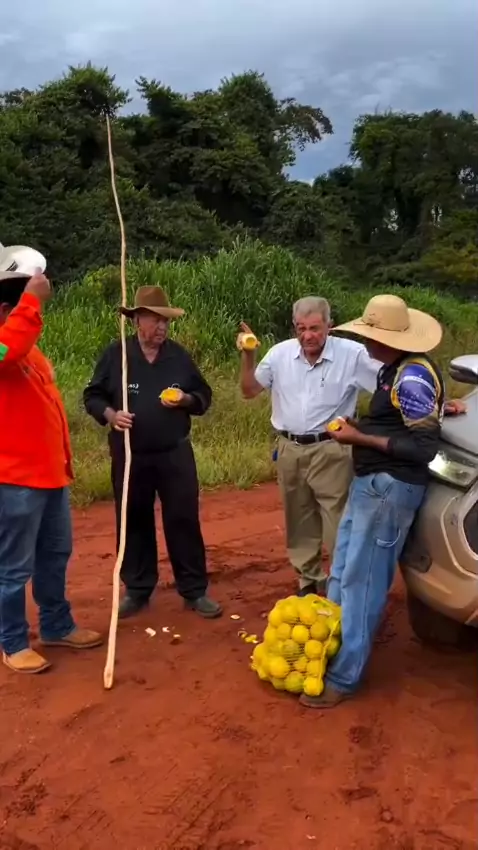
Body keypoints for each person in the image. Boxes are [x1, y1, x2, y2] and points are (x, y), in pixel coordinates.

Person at [299, 293, 462, 709]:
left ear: (386, 338)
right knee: (343, 571)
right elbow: (408, 422)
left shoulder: (412, 377)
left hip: (389, 489)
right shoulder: (396, 370)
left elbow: (422, 448)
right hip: (372, 484)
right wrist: (363, 428)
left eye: (370, 335)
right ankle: (330, 649)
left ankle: (344, 675)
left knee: (363, 580)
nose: (365, 342)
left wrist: (359, 437)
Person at [83, 285, 222, 620]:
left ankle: (194, 590)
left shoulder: (178, 356)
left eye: (166, 321)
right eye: (155, 320)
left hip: (174, 453)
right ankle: (138, 588)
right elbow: (92, 396)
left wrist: (186, 399)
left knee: (183, 518)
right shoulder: (117, 355)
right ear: (137, 321)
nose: (162, 327)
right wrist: (111, 415)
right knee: (133, 519)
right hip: (130, 454)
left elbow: (203, 396)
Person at [238, 296, 381, 596]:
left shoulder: (352, 355)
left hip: (332, 448)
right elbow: (249, 390)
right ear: (294, 328)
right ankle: (308, 579)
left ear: (330, 326)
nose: (308, 336)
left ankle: (344, 583)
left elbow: (388, 385)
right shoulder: (279, 354)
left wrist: (436, 402)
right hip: (289, 448)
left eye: (315, 328)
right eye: (301, 328)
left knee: (338, 520)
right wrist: (248, 356)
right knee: (298, 517)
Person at [0, 269, 102, 675]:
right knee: (13, 568)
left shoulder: (29, 351)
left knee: (55, 555)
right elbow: (8, 350)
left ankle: (57, 626)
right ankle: (12, 642)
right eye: (18, 310)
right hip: (15, 480)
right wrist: (32, 301)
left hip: (50, 475)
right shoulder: (7, 348)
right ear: (6, 310)